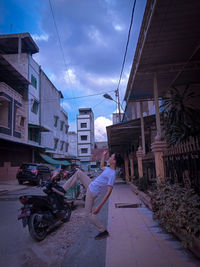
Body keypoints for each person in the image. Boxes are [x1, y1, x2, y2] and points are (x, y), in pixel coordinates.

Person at [61, 149, 123, 240]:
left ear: (114, 161)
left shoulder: (112, 175)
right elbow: (102, 166)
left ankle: (103, 231)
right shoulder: (108, 169)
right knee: (78, 173)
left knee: (88, 214)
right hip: (91, 185)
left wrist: (99, 207)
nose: (109, 158)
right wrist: (103, 156)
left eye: (111, 157)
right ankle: (62, 190)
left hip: (92, 192)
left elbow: (109, 192)